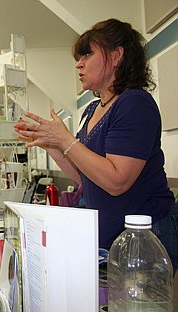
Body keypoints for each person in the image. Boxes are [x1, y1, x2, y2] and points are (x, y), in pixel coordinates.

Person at [14, 18, 177, 274]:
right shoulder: (92, 109)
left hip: (143, 238)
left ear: (116, 56)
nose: (79, 63)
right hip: (111, 237)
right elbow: (84, 175)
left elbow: (116, 181)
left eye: (87, 54)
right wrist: (51, 144)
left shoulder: (134, 103)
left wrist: (66, 140)